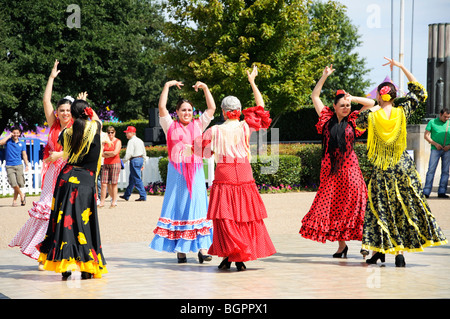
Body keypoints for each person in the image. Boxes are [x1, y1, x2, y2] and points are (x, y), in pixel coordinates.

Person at [355, 57, 448, 267]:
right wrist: (402, 67)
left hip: (382, 167)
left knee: (380, 208)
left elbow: (358, 121)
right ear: (395, 96)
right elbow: (419, 92)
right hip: (402, 166)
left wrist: (365, 103)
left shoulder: (371, 116)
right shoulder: (402, 112)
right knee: (402, 207)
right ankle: (398, 253)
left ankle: (379, 249)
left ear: (380, 96)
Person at [200, 66, 276, 271]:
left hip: (224, 173)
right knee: (245, 216)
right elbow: (261, 107)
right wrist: (252, 82)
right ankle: (240, 256)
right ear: (239, 111)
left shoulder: (213, 131)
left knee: (225, 217)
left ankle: (228, 255)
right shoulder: (245, 126)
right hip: (243, 172)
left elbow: (204, 154)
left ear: (224, 112)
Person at [299, 65, 374, 259]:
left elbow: (372, 103)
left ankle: (366, 242)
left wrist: (353, 98)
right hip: (330, 171)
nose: (346, 108)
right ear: (334, 107)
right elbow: (315, 96)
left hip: (351, 170)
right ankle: (342, 246)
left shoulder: (354, 120)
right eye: (343, 105)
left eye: (348, 106)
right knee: (332, 207)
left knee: (358, 205)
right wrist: (323, 76)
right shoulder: (325, 119)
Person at [8, 60, 73, 268]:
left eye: (67, 110)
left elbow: (82, 150)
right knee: (47, 213)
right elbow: (46, 101)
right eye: (61, 110)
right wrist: (51, 79)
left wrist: (61, 153)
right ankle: (43, 253)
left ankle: (63, 253)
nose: (64, 113)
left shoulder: (76, 128)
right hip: (52, 175)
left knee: (66, 214)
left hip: (69, 173)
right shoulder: (54, 126)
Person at [37, 97, 107, 279]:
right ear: (87, 112)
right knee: (83, 224)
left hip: (65, 179)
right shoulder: (94, 127)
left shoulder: (66, 133)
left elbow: (67, 153)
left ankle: (65, 265)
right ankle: (86, 267)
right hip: (85, 181)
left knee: (64, 223)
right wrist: (86, 106)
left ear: (73, 116)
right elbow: (97, 120)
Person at [149, 80, 215, 263]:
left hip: (196, 172)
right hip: (177, 173)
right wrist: (167, 87)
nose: (187, 113)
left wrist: (205, 88)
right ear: (176, 112)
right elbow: (161, 106)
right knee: (179, 207)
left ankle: (202, 249)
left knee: (199, 206)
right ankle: (181, 249)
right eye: (183, 110)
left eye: (189, 110)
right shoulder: (170, 125)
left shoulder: (198, 125)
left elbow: (211, 108)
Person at [423, 108, 450, 198]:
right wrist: (435, 144)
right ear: (440, 114)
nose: (446, 119)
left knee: (445, 171)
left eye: (448, 117)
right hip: (435, 149)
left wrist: (449, 146)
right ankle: (426, 192)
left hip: (447, 149)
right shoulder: (432, 122)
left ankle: (442, 191)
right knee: (431, 170)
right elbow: (426, 136)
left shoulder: (449, 123)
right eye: (445, 117)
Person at [0, 126, 30, 207]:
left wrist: (27, 165)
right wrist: (9, 136)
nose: (16, 134)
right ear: (12, 133)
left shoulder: (22, 143)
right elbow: (0, 142)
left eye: (17, 133)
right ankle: (22, 195)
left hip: (19, 165)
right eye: (14, 133)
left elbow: (24, 155)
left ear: (19, 133)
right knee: (13, 183)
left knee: (20, 183)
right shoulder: (8, 141)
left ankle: (14, 200)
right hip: (9, 166)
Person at [120, 126, 147, 201]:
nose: (126, 135)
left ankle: (143, 195)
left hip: (134, 160)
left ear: (132, 133)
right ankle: (126, 195)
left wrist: (122, 161)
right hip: (140, 159)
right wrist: (143, 163)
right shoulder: (140, 140)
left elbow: (129, 153)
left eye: (127, 133)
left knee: (136, 178)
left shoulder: (131, 141)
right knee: (132, 178)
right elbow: (144, 153)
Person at [99, 126, 121, 208]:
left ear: (114, 133)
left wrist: (106, 153)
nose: (110, 134)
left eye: (112, 132)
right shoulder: (104, 142)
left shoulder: (118, 141)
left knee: (114, 183)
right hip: (106, 163)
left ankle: (114, 201)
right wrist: (109, 153)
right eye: (109, 132)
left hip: (115, 163)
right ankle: (102, 202)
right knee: (104, 183)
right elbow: (101, 153)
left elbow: (115, 152)